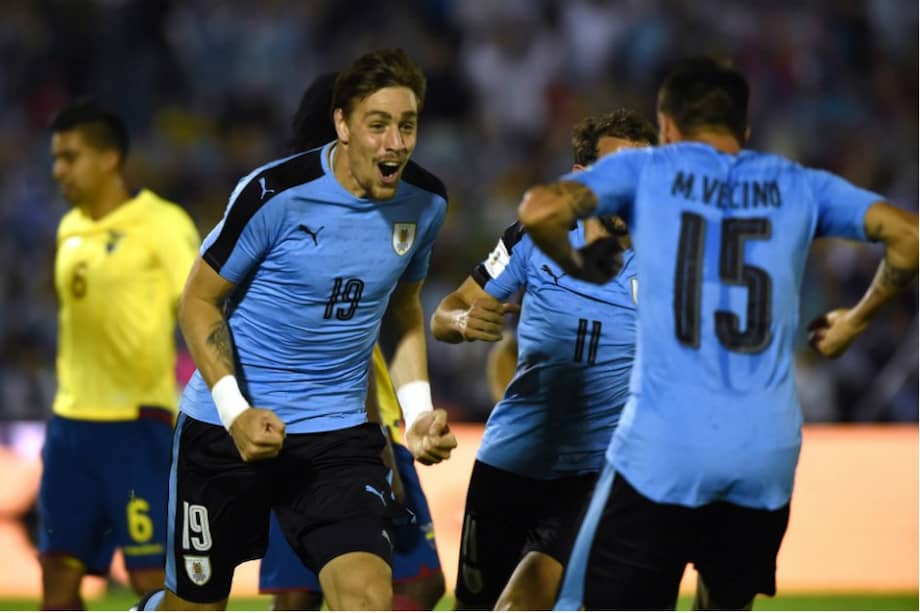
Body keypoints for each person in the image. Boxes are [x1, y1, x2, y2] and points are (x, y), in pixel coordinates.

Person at [516, 58, 919, 610]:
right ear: (744, 131)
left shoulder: (649, 172)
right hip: (764, 453)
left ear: (666, 128)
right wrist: (856, 318)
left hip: (663, 448)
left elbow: (539, 210)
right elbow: (908, 235)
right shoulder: (798, 184)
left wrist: (582, 265)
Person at [136, 48, 457, 612]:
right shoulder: (272, 195)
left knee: (368, 599)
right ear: (341, 123)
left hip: (336, 439)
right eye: (377, 125)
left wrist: (417, 410)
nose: (396, 143)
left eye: (407, 126)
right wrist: (236, 412)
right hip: (224, 434)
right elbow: (198, 303)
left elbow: (403, 305)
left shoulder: (425, 203)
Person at [430, 109, 656, 610]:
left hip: (590, 476)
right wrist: (465, 324)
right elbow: (445, 314)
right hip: (508, 463)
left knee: (521, 603)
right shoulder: (532, 241)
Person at [257, 72, 446, 611]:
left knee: (297, 594)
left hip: (284, 429)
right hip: (350, 431)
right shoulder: (342, 218)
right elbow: (342, 340)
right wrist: (377, 435)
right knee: (414, 583)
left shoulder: (278, 209)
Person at [41, 99, 199, 610]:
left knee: (152, 577)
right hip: (69, 427)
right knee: (58, 580)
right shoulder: (69, 229)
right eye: (56, 158)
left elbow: (201, 307)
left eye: (70, 156)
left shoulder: (162, 223)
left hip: (137, 424)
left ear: (109, 159)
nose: (58, 169)